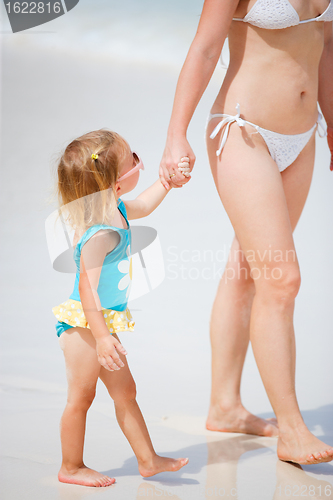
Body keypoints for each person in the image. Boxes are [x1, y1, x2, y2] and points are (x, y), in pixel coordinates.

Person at [159, 0, 333, 465]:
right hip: (243, 131)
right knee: (281, 279)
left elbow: (327, 47)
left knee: (248, 268)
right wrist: (177, 136)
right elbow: (205, 49)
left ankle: (225, 406)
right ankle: (293, 429)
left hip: (302, 138)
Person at [52, 130, 191, 487]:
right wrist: (100, 337)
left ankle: (148, 460)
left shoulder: (117, 210)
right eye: (133, 158)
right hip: (84, 326)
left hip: (101, 326)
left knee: (125, 392)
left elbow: (144, 203)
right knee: (81, 398)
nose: (137, 161)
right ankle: (71, 466)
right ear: (115, 182)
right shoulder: (98, 233)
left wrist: (168, 182)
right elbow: (87, 289)